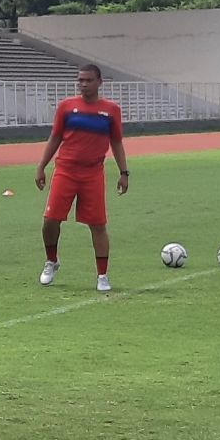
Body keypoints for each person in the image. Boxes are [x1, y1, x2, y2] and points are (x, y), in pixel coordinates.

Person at [34, 64, 129, 292]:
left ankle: (102, 276)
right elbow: (55, 137)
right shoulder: (67, 107)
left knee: (97, 224)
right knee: (50, 220)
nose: (84, 84)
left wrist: (124, 172)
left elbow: (116, 142)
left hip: (93, 173)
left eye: (88, 80)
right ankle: (51, 261)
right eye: (80, 80)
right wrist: (41, 166)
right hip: (65, 170)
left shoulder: (111, 110)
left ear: (99, 82)